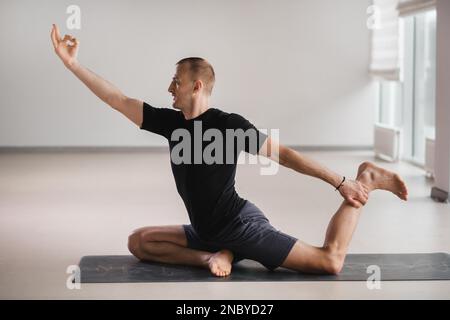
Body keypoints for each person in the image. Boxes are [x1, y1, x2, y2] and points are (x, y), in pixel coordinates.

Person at [50, 24, 408, 277]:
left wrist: (340, 180)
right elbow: (119, 100)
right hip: (205, 230)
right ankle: (214, 256)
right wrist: (72, 64)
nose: (169, 88)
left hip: (239, 224)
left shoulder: (229, 125)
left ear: (197, 85)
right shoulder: (171, 124)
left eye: (176, 81)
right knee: (138, 242)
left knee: (330, 262)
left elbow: (285, 155)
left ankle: (368, 178)